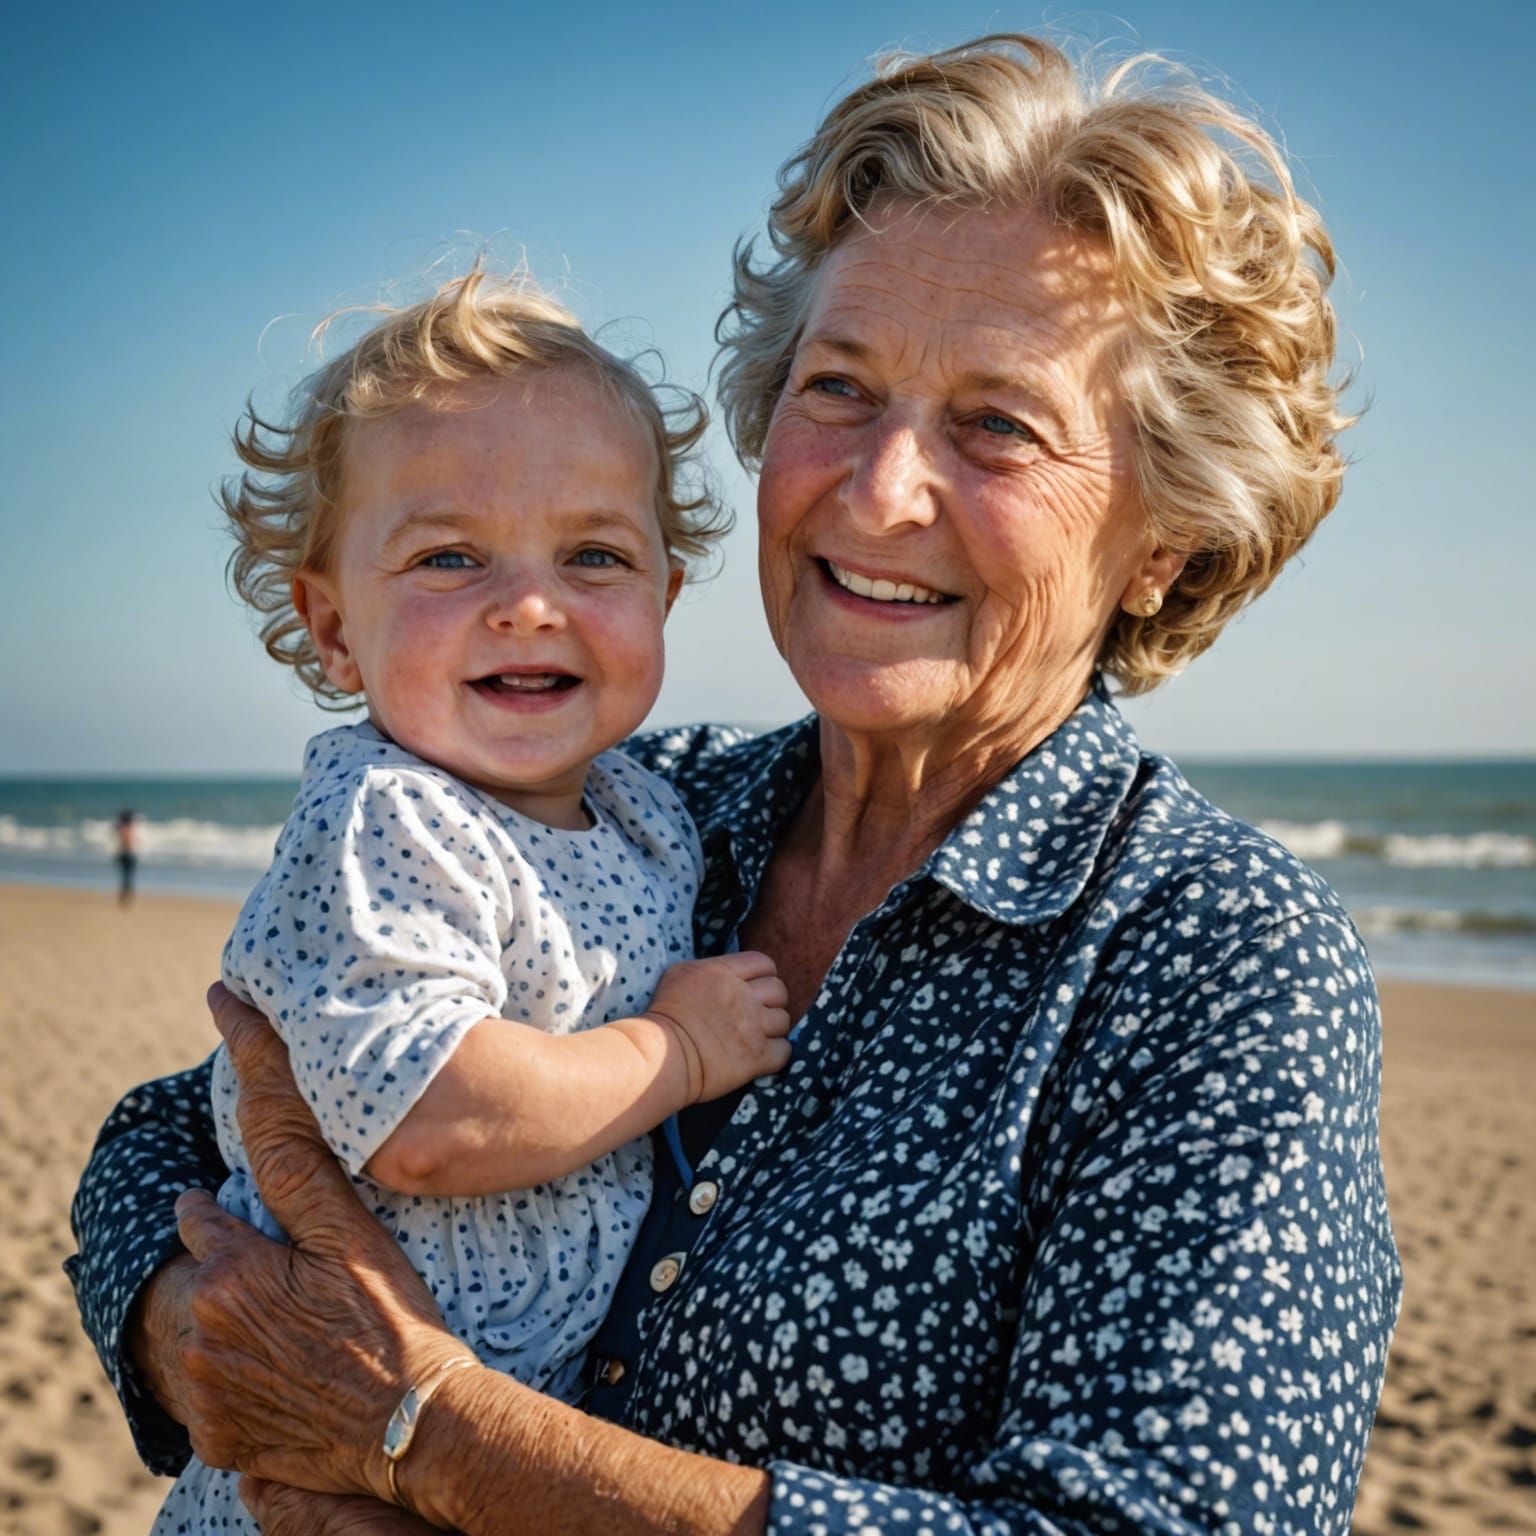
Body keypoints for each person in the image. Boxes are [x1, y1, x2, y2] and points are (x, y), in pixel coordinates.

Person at [68, 33, 1402, 1536]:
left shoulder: (1212, 960)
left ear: (1164, 535)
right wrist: (213, 1352)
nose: (880, 488)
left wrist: (420, 1433)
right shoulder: (635, 808)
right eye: (838, 389)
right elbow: (171, 1139)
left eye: (996, 426)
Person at [148, 274, 793, 1534]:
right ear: (333, 629)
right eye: (450, 556)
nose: (531, 602)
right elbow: (429, 1114)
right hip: (314, 1461)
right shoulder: (386, 817)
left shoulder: (650, 813)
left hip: (501, 1448)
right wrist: (678, 1050)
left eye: (594, 555)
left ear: (664, 598)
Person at [113, 809, 137, 907]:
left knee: (126, 877)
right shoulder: (127, 828)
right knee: (127, 877)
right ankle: (126, 896)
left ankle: (125, 895)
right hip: (128, 854)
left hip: (124, 854)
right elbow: (129, 842)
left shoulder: (122, 828)